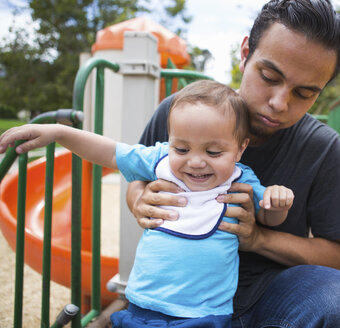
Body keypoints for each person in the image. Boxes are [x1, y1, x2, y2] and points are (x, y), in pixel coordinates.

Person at [127, 0, 340, 327]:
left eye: (304, 93)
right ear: (245, 53)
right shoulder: (182, 113)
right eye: (270, 76)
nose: (278, 104)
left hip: (272, 294)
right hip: (174, 294)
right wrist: (140, 201)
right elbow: (138, 179)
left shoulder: (321, 147)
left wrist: (258, 239)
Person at [0, 80, 294, 328]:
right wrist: (60, 133)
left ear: (240, 148)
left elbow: (268, 219)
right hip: (142, 304)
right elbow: (109, 152)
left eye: (214, 152)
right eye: (181, 148)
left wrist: (277, 204)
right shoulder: (160, 160)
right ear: (169, 142)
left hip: (203, 314)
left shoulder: (242, 179)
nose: (195, 161)